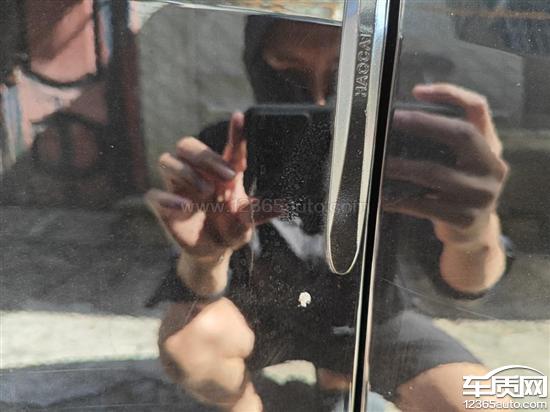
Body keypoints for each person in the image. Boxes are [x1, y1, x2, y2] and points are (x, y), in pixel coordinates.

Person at [146, 16, 510, 412]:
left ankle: (339, 378)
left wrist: (473, 233)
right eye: (289, 75)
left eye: (344, 75)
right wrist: (205, 256)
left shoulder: (399, 144)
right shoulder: (228, 145)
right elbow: (196, 292)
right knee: (190, 344)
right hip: (262, 317)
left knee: (486, 404)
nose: (319, 100)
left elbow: (465, 284)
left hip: (372, 319)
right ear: (257, 65)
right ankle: (251, 403)